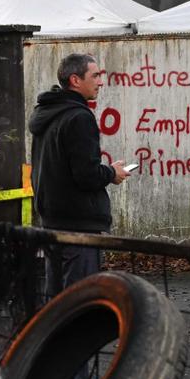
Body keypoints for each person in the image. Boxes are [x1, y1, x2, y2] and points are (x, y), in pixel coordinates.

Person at [29, 53, 131, 297]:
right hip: (79, 227)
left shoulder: (48, 114)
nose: (101, 82)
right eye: (95, 76)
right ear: (75, 80)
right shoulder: (79, 117)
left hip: (52, 221)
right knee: (79, 300)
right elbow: (86, 175)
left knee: (57, 302)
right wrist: (112, 172)